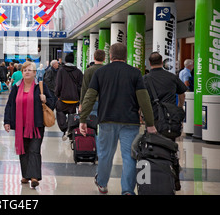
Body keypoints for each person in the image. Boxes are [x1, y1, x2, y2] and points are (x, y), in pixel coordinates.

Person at [79, 43, 157, 195]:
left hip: (106, 120)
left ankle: (102, 183)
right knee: (129, 157)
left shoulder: (100, 72)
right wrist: (150, 123)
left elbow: (89, 97)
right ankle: (127, 190)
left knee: (105, 154)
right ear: (126, 56)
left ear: (110, 56)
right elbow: (144, 100)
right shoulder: (135, 73)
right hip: (130, 121)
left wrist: (83, 119)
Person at [4, 61, 54, 188]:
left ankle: (34, 177)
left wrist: (45, 99)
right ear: (22, 73)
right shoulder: (16, 87)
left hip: (36, 125)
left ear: (35, 73)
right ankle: (26, 175)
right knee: (24, 150)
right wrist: (7, 121)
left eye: (29, 70)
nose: (27, 72)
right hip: (20, 125)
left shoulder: (40, 86)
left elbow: (52, 102)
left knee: (34, 150)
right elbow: (10, 105)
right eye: (24, 70)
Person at [143, 52, 187, 137]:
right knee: (169, 141)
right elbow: (182, 94)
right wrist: (179, 106)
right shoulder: (172, 77)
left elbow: (141, 98)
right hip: (170, 117)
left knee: (153, 142)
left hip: (152, 117)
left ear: (149, 63)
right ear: (162, 62)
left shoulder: (144, 79)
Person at [54, 53, 83, 140]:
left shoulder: (61, 71)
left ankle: (64, 129)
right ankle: (71, 130)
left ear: (65, 60)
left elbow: (58, 84)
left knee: (60, 112)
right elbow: (81, 85)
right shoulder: (78, 71)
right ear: (73, 60)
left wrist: (57, 94)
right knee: (72, 115)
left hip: (63, 98)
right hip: (74, 99)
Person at [79, 49, 106, 117]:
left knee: (92, 121)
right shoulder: (107, 70)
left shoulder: (88, 71)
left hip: (91, 100)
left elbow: (84, 88)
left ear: (94, 58)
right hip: (105, 100)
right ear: (104, 58)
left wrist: (81, 103)